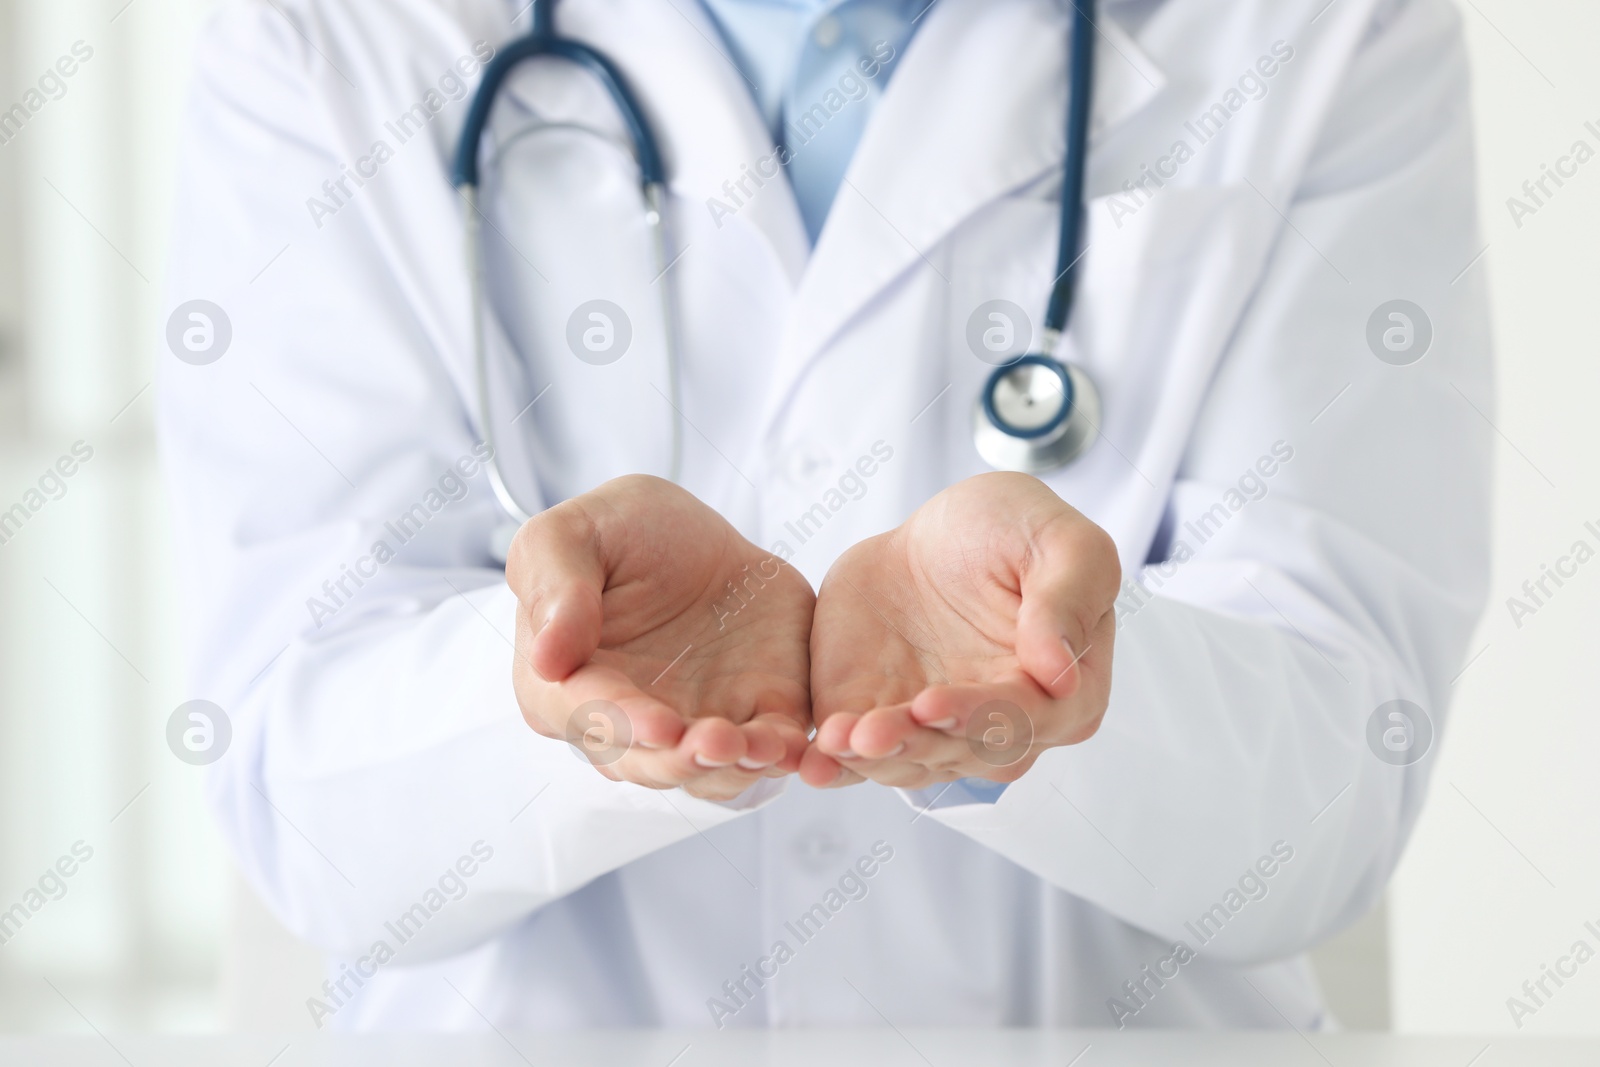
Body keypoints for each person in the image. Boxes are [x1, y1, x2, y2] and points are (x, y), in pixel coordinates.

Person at [157, 0, 1491, 1032]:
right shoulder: (326, 40)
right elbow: (301, 796)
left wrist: (1077, 675)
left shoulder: (1322, 31)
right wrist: (555, 680)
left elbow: (1341, 778)